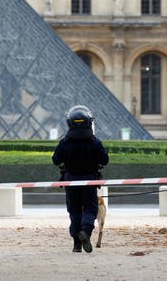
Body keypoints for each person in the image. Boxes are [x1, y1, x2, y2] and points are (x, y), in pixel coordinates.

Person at [52, 105, 109, 253]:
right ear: (89, 122)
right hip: (90, 180)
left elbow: (55, 160)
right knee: (90, 209)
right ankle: (85, 231)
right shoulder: (94, 142)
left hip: (70, 180)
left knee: (74, 211)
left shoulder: (65, 142)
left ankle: (77, 243)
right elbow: (105, 160)